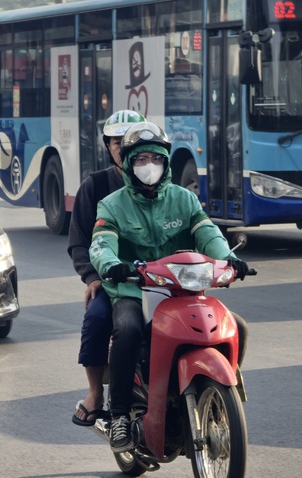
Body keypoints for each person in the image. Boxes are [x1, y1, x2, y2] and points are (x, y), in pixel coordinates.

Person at [89, 121, 250, 453]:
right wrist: (112, 265)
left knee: (238, 327)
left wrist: (229, 259)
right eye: (141, 159)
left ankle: (221, 391)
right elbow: (100, 245)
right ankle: (119, 413)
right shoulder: (112, 204)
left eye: (156, 158)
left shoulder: (184, 200)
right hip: (135, 287)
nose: (149, 166)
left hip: (182, 289)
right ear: (129, 165)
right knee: (129, 330)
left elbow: (208, 234)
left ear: (165, 163)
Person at [67, 109, 146, 427]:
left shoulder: (166, 189)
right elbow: (80, 242)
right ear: (108, 145)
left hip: (162, 279)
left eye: (130, 142)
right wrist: (93, 276)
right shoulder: (96, 186)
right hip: (115, 280)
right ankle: (96, 393)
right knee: (99, 318)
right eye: (116, 142)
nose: (122, 148)